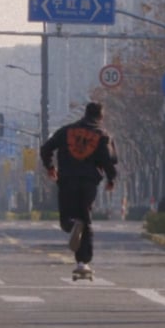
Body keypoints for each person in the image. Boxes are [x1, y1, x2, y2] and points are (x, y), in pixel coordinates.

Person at [39, 101, 118, 277]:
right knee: (86, 219)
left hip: (66, 179)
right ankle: (83, 263)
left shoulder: (66, 131)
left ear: (85, 113)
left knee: (67, 218)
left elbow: (46, 149)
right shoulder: (102, 135)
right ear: (100, 116)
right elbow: (108, 160)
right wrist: (111, 179)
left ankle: (72, 225)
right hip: (89, 183)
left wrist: (50, 167)